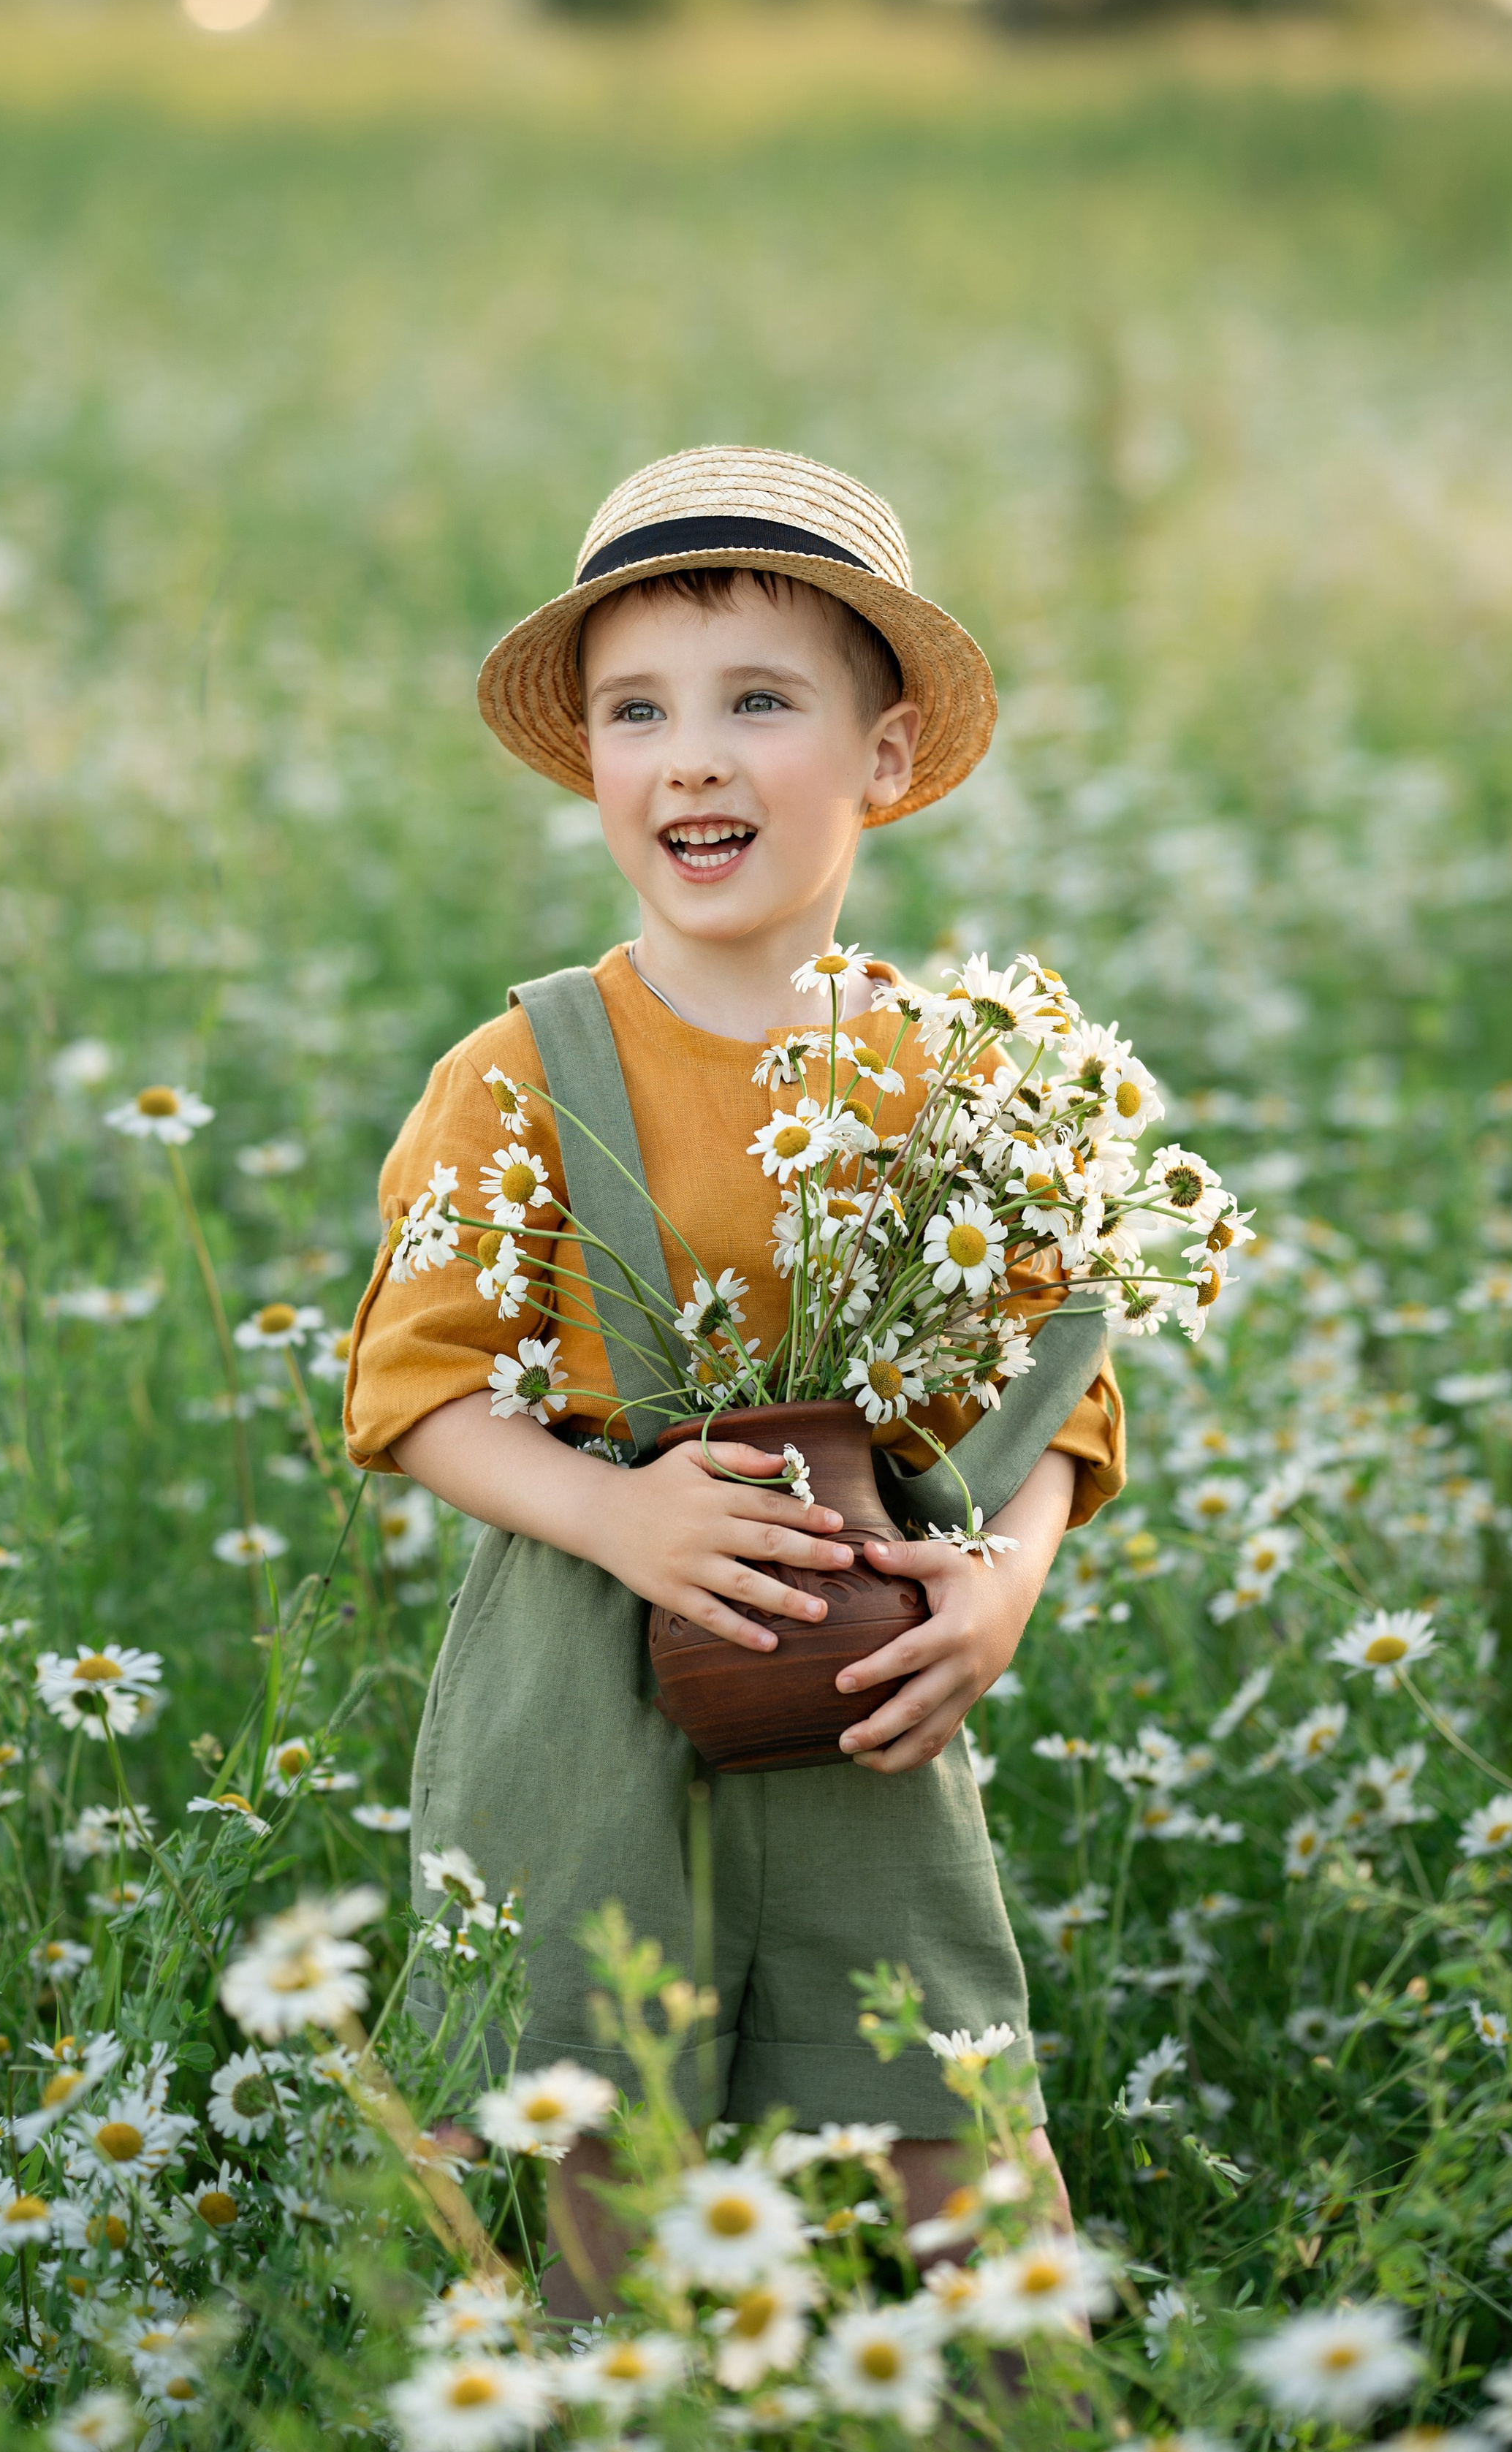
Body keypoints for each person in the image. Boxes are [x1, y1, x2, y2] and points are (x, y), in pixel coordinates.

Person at [342, 444, 1125, 2309]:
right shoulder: (519, 1066)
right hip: (587, 1662)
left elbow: (1057, 1374)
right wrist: (616, 1508)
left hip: (864, 1668)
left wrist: (1003, 1579)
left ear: (881, 755)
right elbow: (414, 1384)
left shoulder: (954, 1067)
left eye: (755, 701)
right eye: (637, 712)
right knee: (617, 2130)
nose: (687, 755)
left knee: (952, 2111)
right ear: (595, 768)